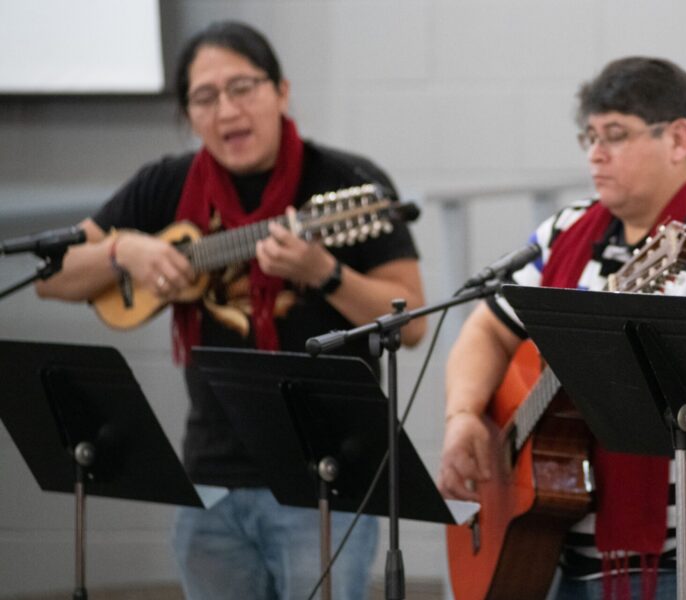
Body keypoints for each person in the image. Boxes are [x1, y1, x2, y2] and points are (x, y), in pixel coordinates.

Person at [35, 21, 426, 599]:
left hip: (326, 479)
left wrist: (325, 273)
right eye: (205, 97)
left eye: (243, 88)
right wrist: (123, 249)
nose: (227, 110)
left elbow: (412, 320)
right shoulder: (164, 186)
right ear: (188, 114)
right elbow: (53, 277)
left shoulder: (345, 183)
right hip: (211, 479)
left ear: (281, 92)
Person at [437, 57, 686, 599]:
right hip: (566, 552)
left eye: (615, 135)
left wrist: (601, 361)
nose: (595, 154)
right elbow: (488, 328)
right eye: (589, 136)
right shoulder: (566, 233)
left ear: (678, 139)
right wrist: (464, 414)